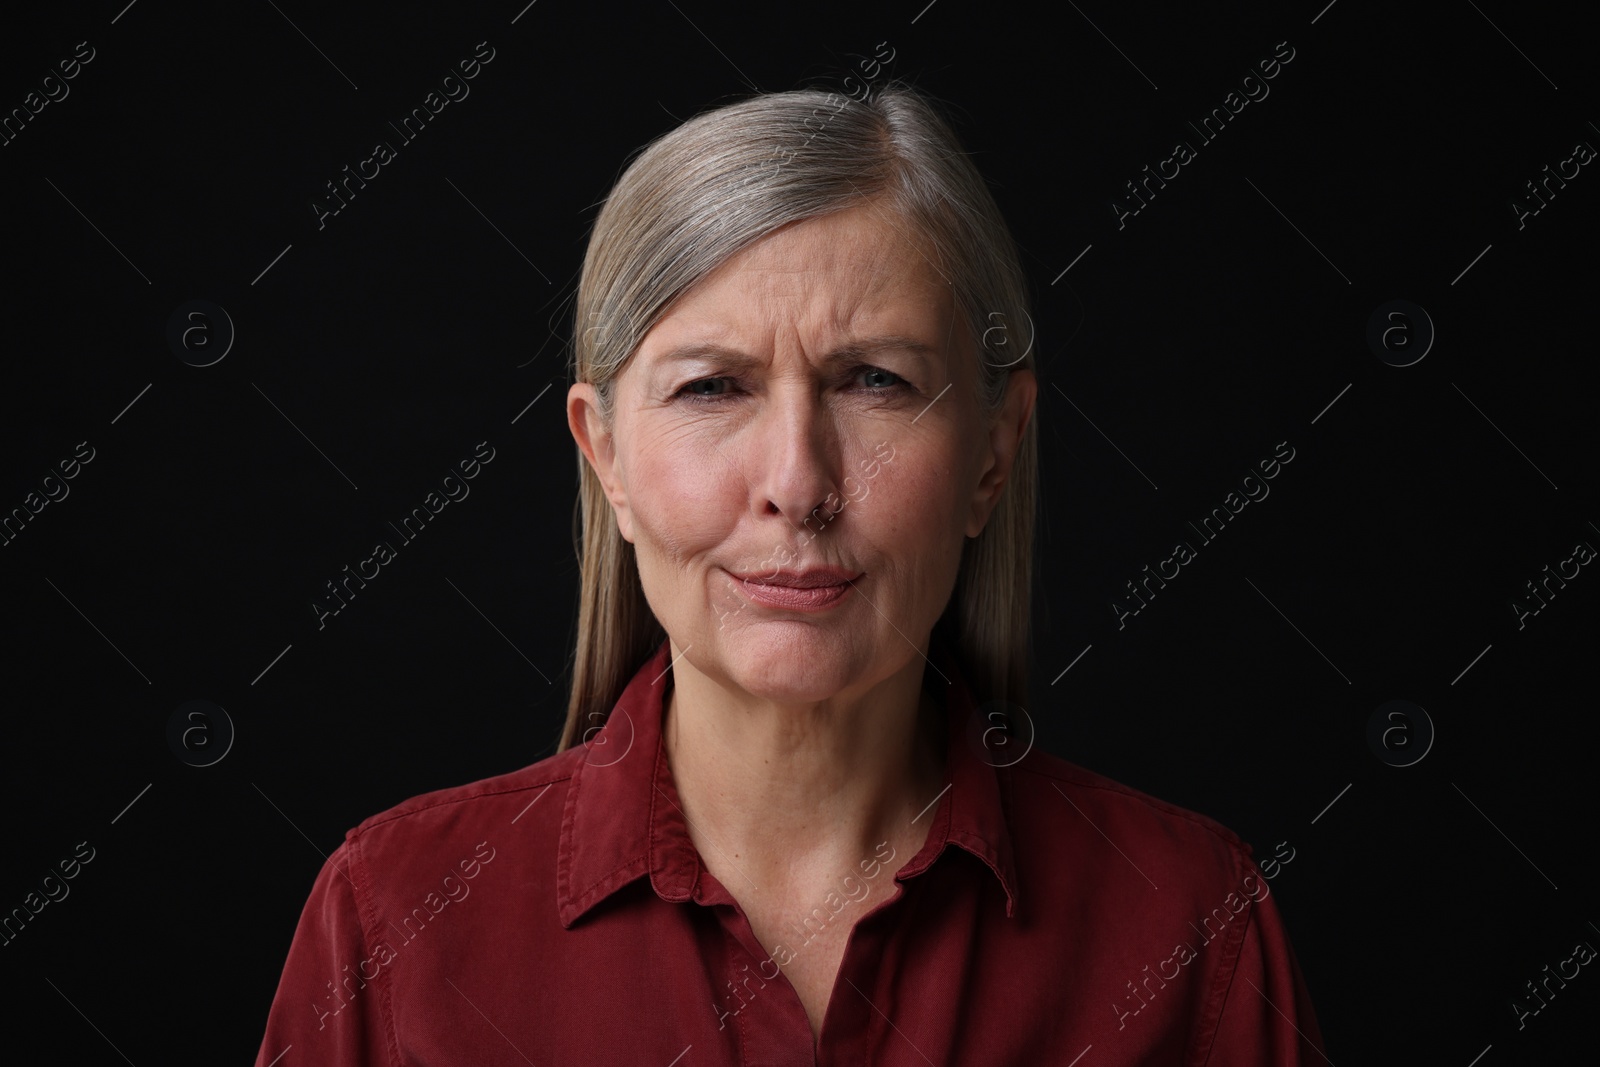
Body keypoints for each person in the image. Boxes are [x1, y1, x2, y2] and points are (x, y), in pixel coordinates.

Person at [254, 82, 1325, 1065]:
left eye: (874, 380)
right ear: (606, 457)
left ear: (992, 452)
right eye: (713, 387)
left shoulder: (1187, 921)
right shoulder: (393, 916)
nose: (797, 481)